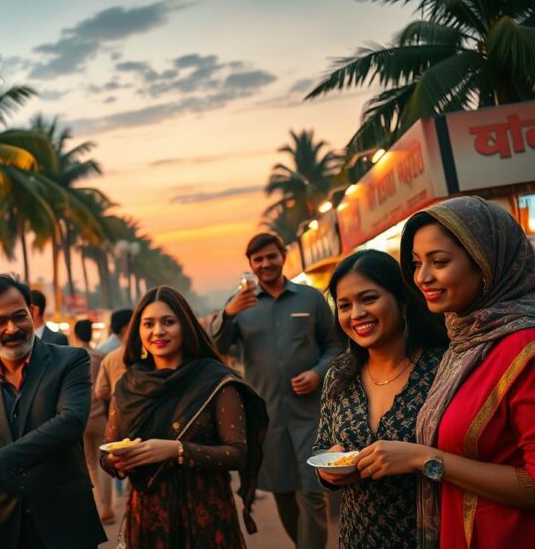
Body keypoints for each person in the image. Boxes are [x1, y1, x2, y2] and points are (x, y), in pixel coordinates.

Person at [352, 197, 535, 549]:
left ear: (484, 263)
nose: (421, 277)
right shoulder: (465, 341)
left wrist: (423, 459)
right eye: (417, 263)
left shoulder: (523, 346)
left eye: (439, 262)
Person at [0, 274, 106, 549]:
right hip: (5, 530)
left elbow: (70, 423)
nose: (12, 328)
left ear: (32, 314)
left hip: (66, 525)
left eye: (20, 316)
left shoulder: (69, 360)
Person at [101, 286, 269, 548]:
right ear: (139, 331)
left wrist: (176, 450)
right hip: (148, 515)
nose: (158, 331)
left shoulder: (215, 380)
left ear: (186, 326)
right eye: (149, 324)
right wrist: (116, 461)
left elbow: (238, 453)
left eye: (168, 322)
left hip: (205, 512)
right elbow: (108, 450)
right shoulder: (129, 384)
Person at [210, 232, 343, 549]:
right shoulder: (240, 304)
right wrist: (228, 314)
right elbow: (216, 348)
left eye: (271, 256)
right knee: (282, 490)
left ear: (283, 256)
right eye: (258, 259)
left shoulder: (310, 298)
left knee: (313, 490)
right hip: (267, 415)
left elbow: (335, 344)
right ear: (250, 265)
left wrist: (317, 373)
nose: (265, 263)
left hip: (312, 414)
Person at [313, 250, 448, 548]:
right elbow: (322, 445)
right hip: (357, 536)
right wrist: (329, 470)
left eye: (369, 298)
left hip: (431, 537)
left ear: (402, 299)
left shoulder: (445, 369)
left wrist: (415, 459)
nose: (356, 313)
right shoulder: (339, 374)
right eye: (344, 305)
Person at [74, 319, 113, 523]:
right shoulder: (102, 357)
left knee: (90, 464)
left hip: (80, 420)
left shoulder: (71, 358)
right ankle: (107, 506)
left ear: (76, 335)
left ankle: (99, 506)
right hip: (100, 416)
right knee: (103, 461)